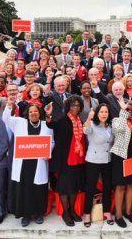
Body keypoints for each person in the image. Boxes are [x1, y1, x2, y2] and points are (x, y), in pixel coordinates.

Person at [2, 101, 54, 227]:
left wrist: (48, 152)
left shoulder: (46, 125)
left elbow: (52, 141)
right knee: (23, 189)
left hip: (39, 162)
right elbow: (5, 118)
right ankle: (25, 215)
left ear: (39, 112)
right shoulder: (19, 122)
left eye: (36, 111)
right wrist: (9, 105)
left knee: (39, 189)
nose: (33, 113)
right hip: (23, 164)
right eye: (31, 112)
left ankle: (38, 213)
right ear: (27, 113)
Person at [47, 96, 86, 227]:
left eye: (77, 105)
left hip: (79, 159)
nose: (75, 107)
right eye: (73, 105)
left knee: (75, 186)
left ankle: (72, 210)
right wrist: (48, 116)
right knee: (64, 188)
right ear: (68, 107)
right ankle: (65, 212)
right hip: (65, 160)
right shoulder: (63, 120)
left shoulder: (80, 121)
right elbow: (51, 124)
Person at [110, 100, 132, 228]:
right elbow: (118, 129)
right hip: (120, 157)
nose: (130, 112)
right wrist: (123, 112)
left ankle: (129, 212)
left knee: (131, 185)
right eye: (127, 109)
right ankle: (119, 215)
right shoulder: (117, 120)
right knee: (120, 186)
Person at [82, 104, 114, 226]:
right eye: (101, 112)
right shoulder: (92, 126)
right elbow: (86, 130)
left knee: (107, 187)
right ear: (97, 113)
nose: (104, 114)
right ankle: (87, 214)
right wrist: (89, 118)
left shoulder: (110, 127)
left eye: (106, 112)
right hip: (93, 160)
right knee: (90, 188)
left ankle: (107, 212)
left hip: (107, 160)